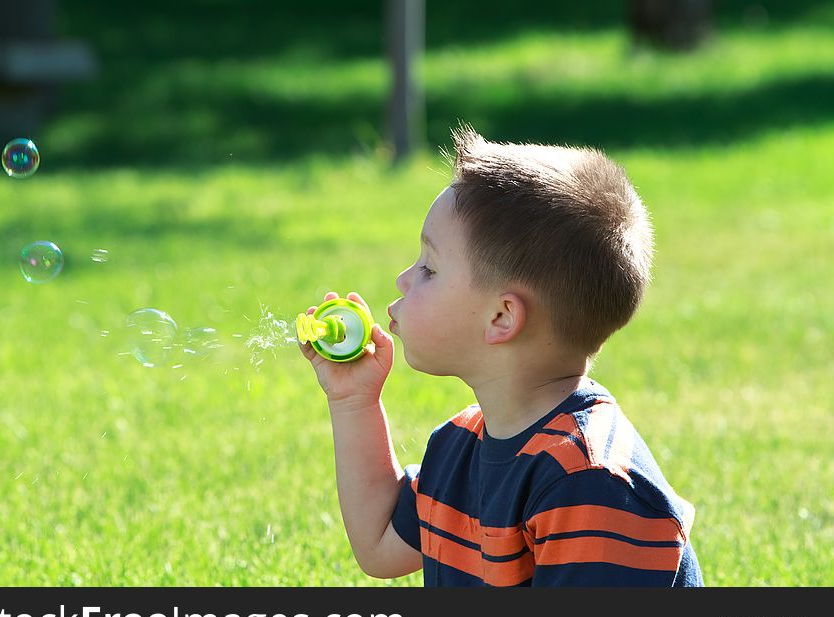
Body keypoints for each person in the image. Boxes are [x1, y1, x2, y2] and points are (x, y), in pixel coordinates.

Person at [298, 124, 703, 586]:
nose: (403, 279)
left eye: (429, 268)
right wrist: (354, 401)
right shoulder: (461, 445)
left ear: (502, 317)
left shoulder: (590, 485)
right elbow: (379, 546)